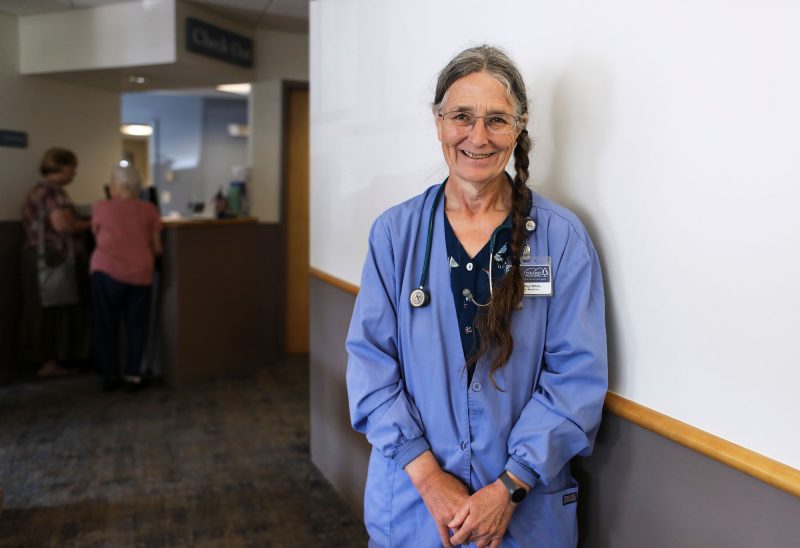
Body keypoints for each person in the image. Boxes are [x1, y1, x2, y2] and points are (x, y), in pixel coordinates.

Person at [346, 45, 608, 547]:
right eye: (461, 117)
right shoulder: (395, 236)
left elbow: (576, 375)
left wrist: (510, 486)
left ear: (520, 126)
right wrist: (429, 479)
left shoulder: (560, 239)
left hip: (522, 511)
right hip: (416, 506)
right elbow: (370, 365)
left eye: (497, 120)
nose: (477, 137)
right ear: (438, 121)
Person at [19, 147, 92, 377]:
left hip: (37, 258)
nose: (75, 173)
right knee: (54, 310)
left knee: (41, 309)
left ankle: (45, 361)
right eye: (73, 167)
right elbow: (63, 225)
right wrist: (91, 223)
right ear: (61, 166)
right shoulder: (54, 192)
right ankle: (51, 362)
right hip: (53, 259)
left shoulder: (36, 191)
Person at [90, 164, 162, 391]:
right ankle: (133, 375)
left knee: (106, 325)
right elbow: (157, 248)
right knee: (137, 326)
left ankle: (110, 376)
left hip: (106, 272)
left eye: (111, 183)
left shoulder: (101, 207)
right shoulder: (150, 209)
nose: (109, 187)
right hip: (140, 273)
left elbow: (97, 236)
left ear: (120, 186)